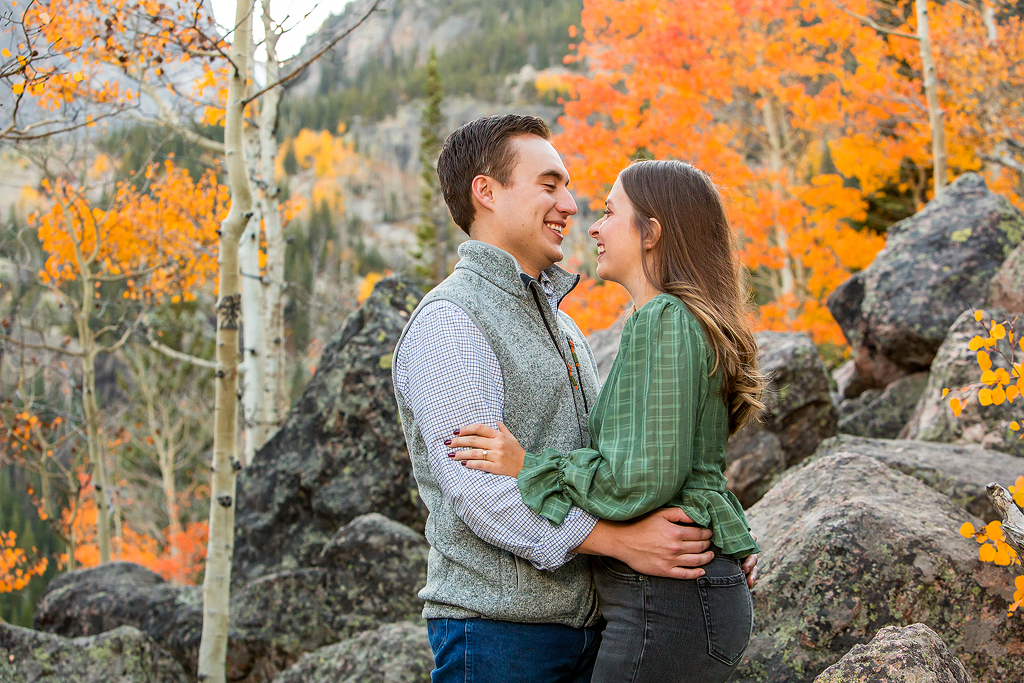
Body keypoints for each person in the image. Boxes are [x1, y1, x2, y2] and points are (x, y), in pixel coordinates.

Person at [392, 116, 754, 683]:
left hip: (593, 625)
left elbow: (637, 459)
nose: (570, 204)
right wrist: (625, 544)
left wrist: (714, 536)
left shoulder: (566, 330)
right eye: (549, 184)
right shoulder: (451, 323)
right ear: (485, 192)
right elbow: (483, 496)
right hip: (501, 637)